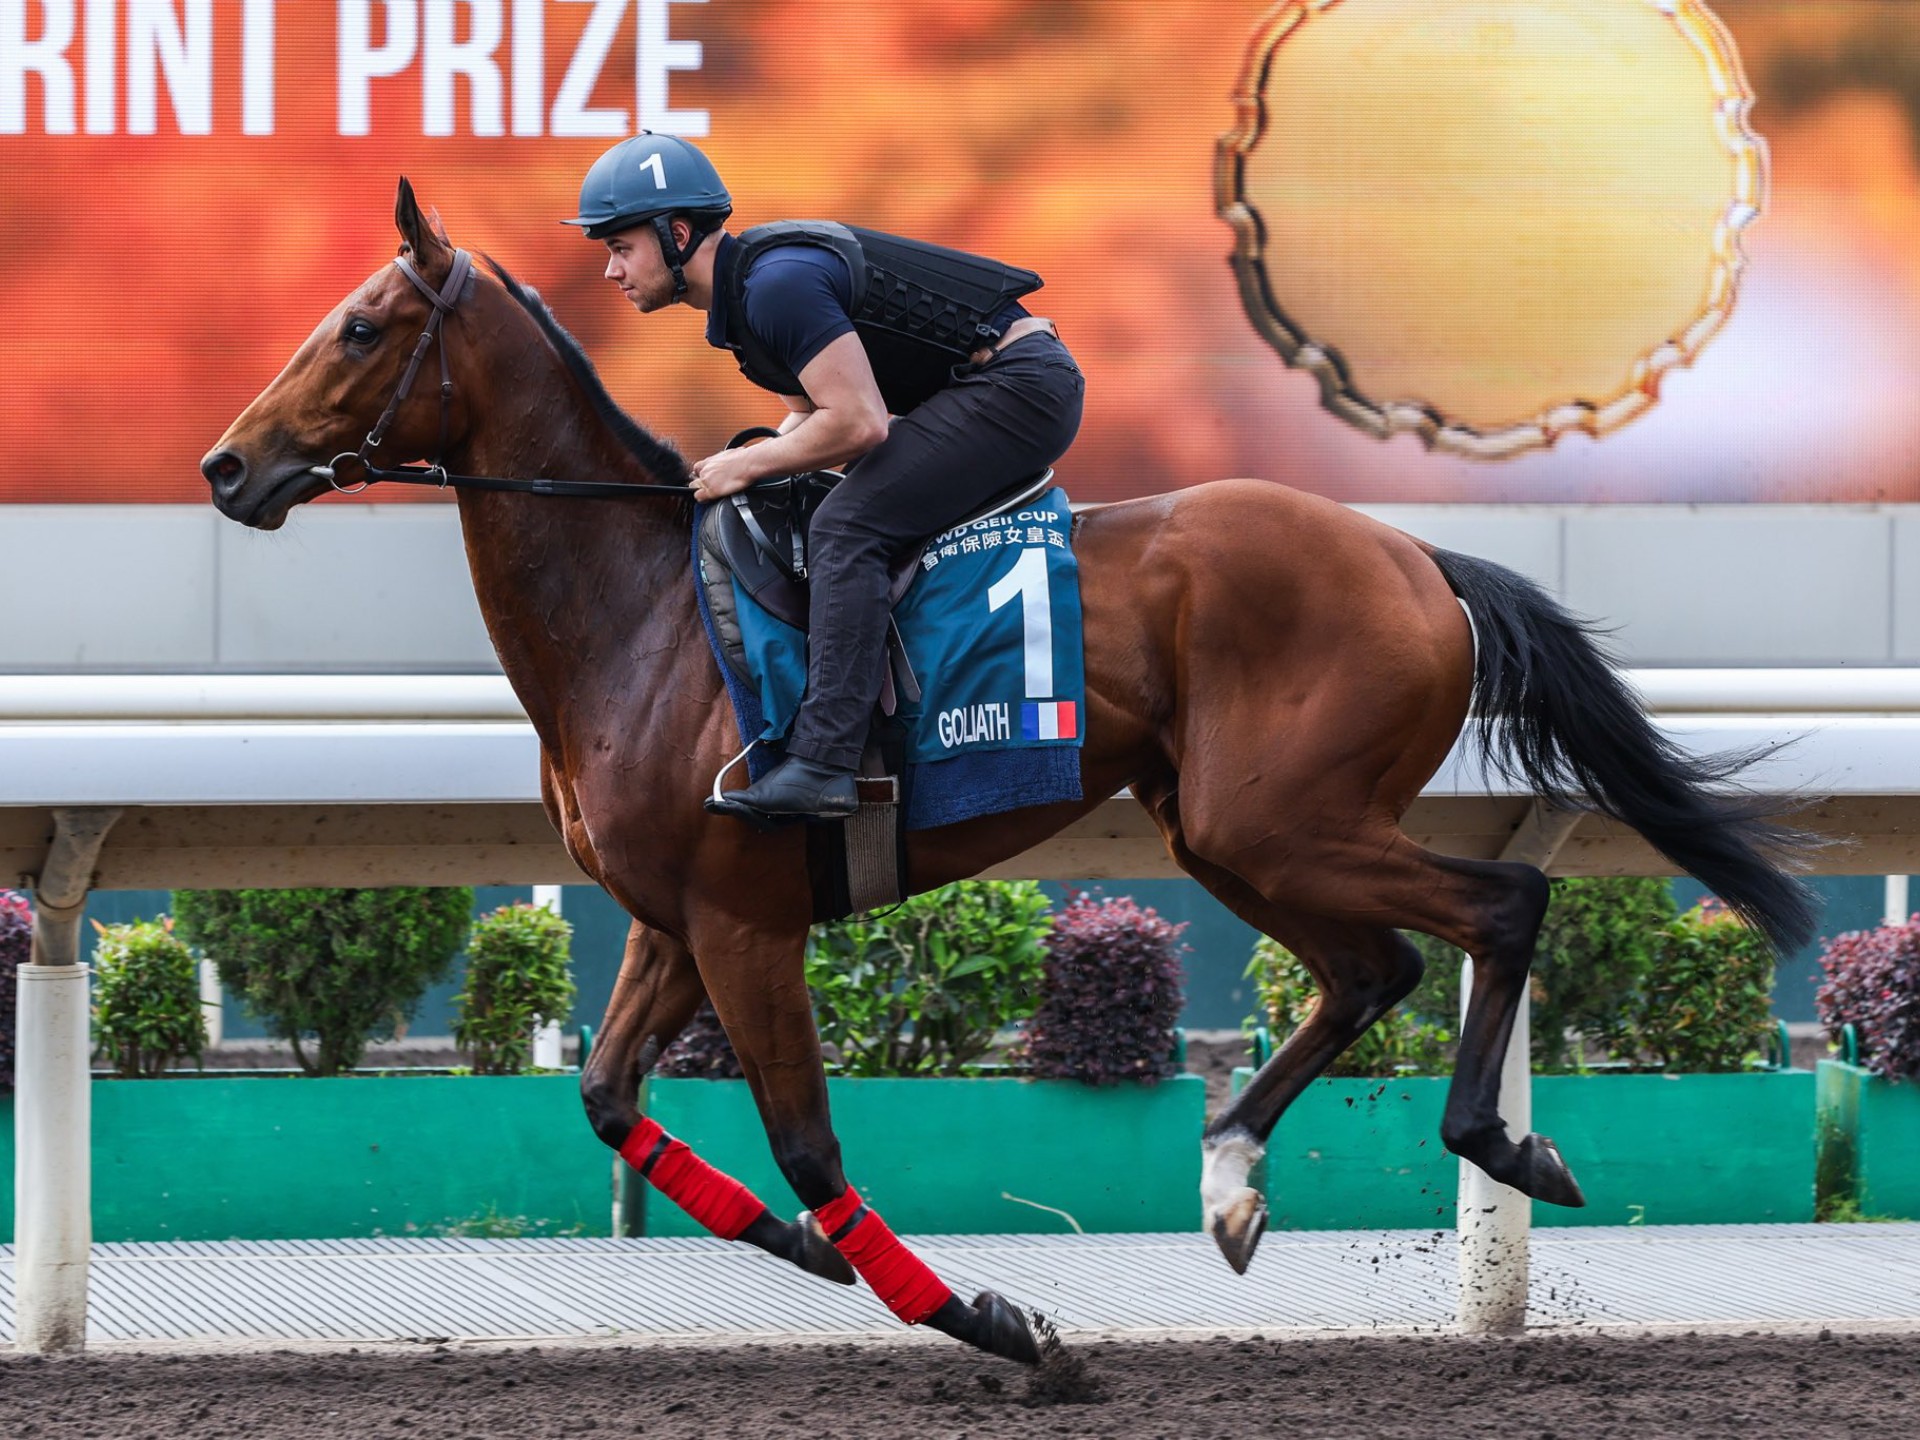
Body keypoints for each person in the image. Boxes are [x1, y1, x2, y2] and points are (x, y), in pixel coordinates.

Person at [567, 133, 1085, 823]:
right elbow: (811, 418)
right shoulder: (744, 308)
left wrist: (740, 464)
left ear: (678, 233)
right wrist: (734, 475)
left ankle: (825, 764)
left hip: (1022, 387)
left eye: (620, 248)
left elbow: (860, 423)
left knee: (848, 524)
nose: (612, 271)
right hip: (991, 386)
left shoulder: (774, 289)